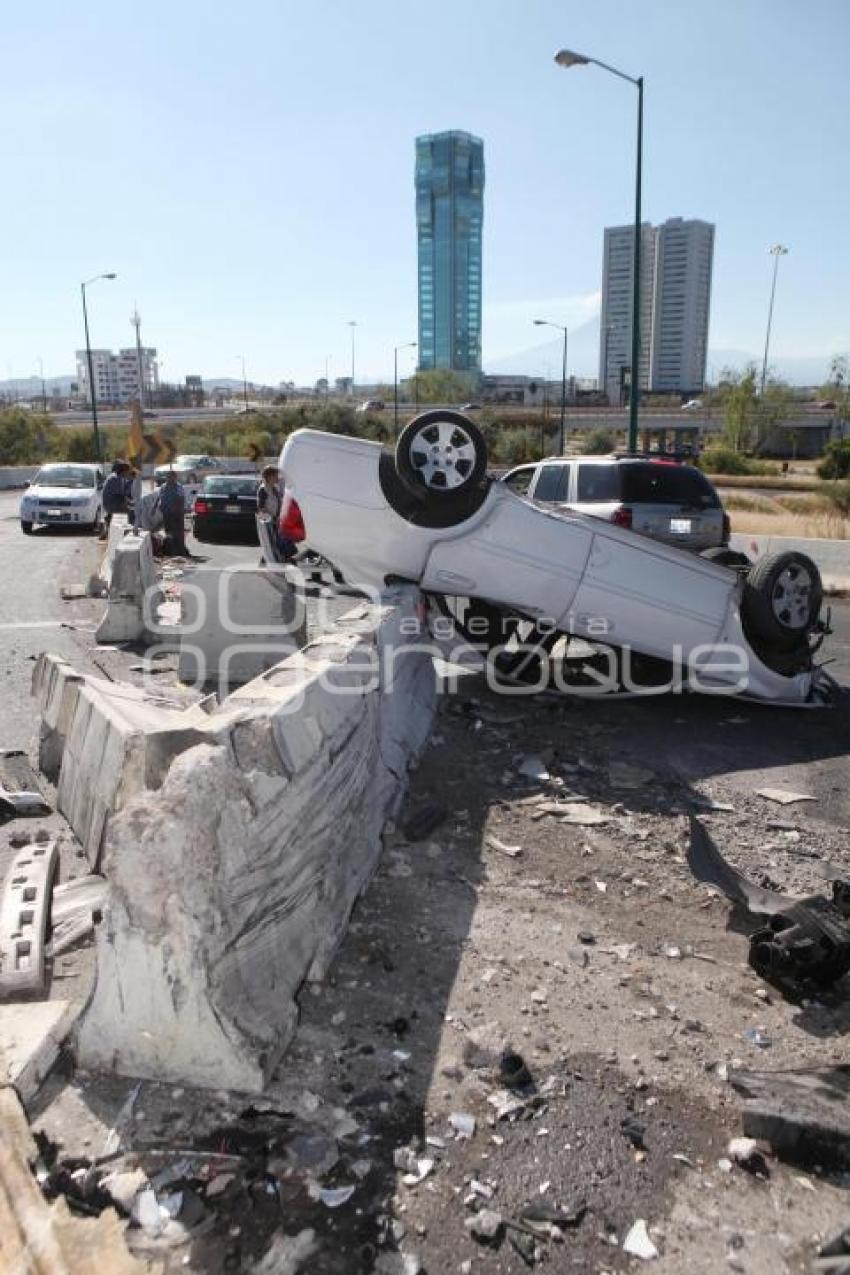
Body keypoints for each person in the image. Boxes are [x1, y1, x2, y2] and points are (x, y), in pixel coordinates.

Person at [257, 464, 296, 561]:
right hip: (269, 522)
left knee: (278, 543)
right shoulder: (263, 490)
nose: (277, 477)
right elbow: (261, 508)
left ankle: (285, 559)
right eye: (275, 475)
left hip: (277, 520)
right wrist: (271, 519)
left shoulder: (275, 488)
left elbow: (279, 504)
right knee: (274, 544)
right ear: (270, 477)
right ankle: (284, 560)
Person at [159, 469, 188, 556]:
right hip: (166, 513)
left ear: (175, 478)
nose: (169, 479)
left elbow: (181, 500)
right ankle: (169, 551)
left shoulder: (178, 487)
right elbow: (160, 498)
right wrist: (159, 507)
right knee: (168, 532)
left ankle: (179, 551)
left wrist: (178, 511)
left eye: (171, 477)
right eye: (168, 477)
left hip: (176, 514)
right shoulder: (163, 486)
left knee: (177, 533)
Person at [100, 460, 130, 538]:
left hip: (110, 502)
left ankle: (108, 521)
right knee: (131, 512)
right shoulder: (116, 478)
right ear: (123, 471)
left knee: (129, 506)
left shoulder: (117, 477)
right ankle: (125, 533)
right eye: (127, 471)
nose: (128, 473)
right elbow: (122, 495)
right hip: (110, 504)